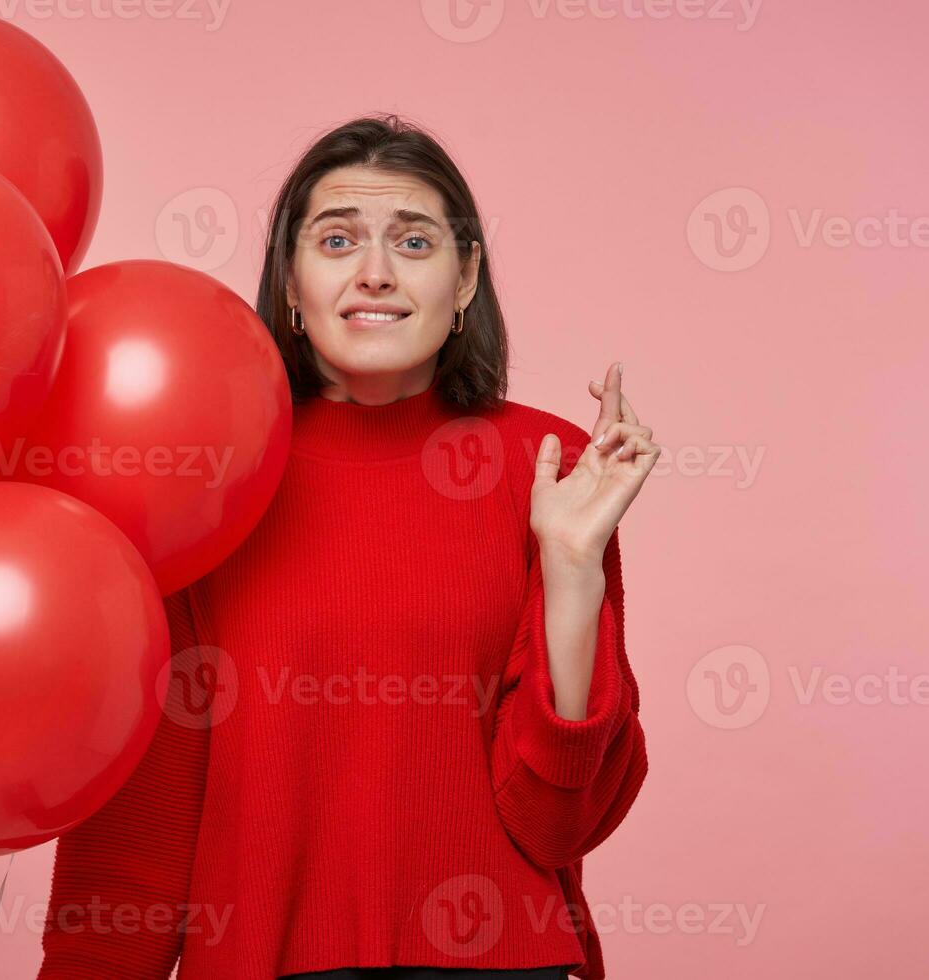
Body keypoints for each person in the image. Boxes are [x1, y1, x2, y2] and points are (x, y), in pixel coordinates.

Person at [37, 114, 659, 980]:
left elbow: (561, 823)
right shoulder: (204, 469)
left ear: (466, 275)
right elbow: (141, 830)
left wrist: (572, 571)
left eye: (413, 241)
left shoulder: (550, 471)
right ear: (290, 282)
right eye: (337, 240)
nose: (376, 273)